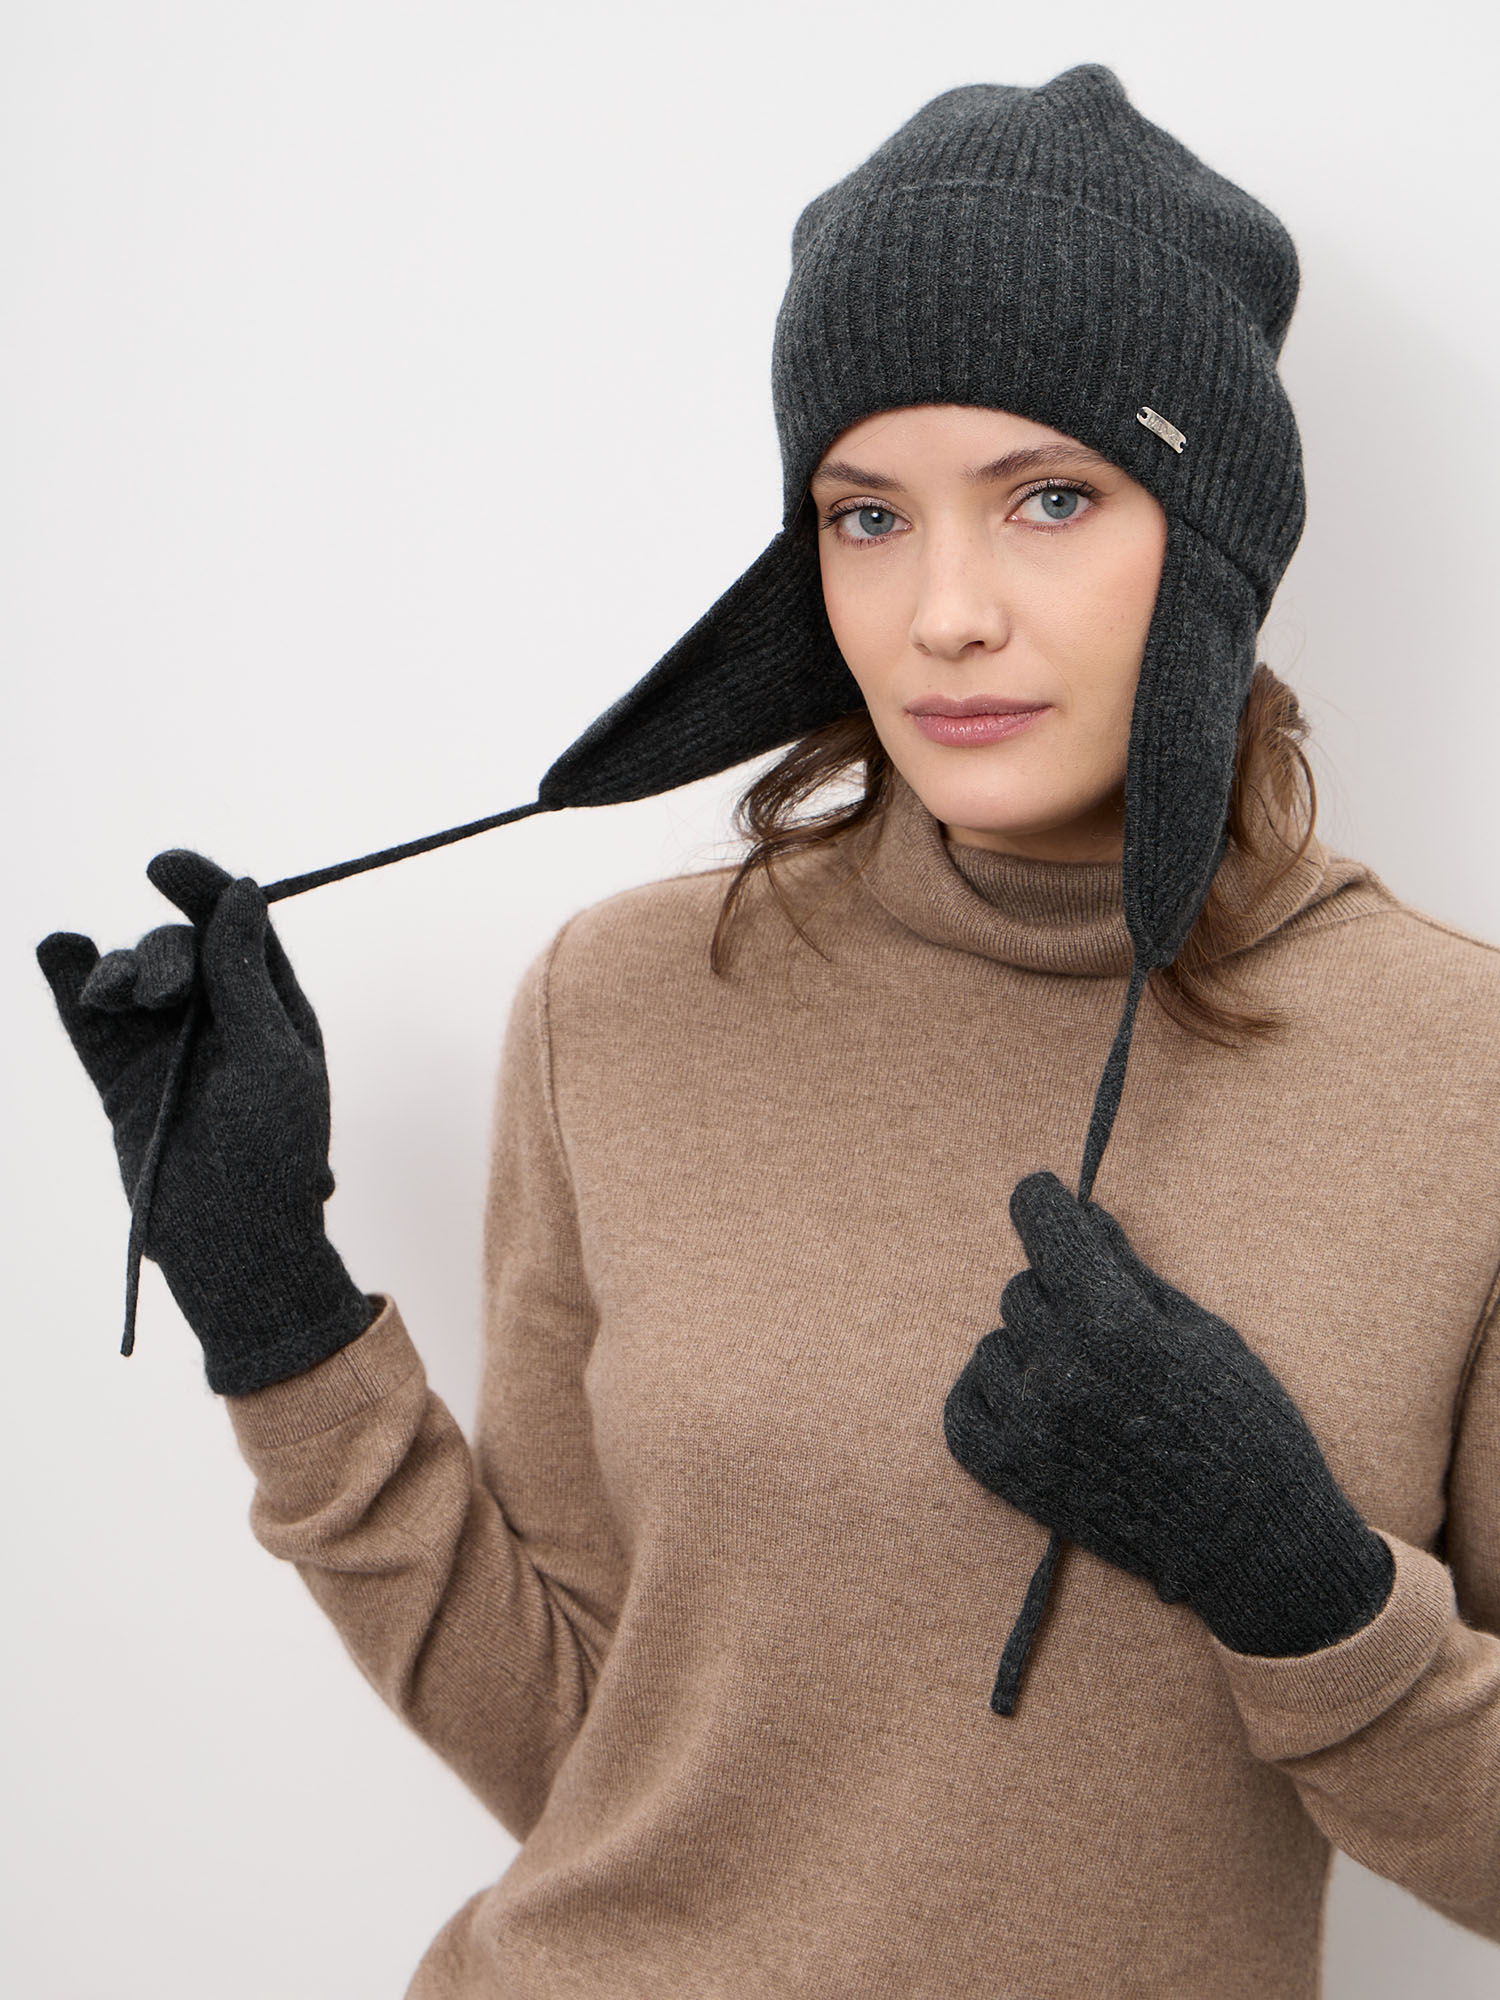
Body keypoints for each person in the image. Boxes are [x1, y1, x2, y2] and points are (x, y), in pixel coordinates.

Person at [36, 63, 1500, 1999]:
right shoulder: (619, 1006)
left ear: (1213, 529)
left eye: (1050, 498)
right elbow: (594, 1756)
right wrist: (272, 1310)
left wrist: (1304, 1591)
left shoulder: (1459, 1072)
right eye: (867, 515)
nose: (945, 610)